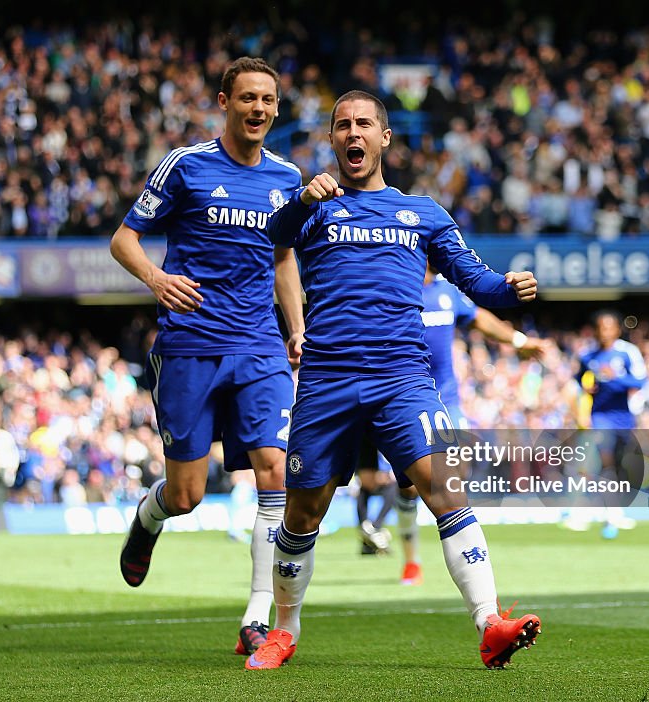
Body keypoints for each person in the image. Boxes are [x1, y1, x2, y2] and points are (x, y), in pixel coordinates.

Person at [246, 90, 541, 670]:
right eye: (341, 126)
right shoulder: (312, 206)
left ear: (384, 138)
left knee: (448, 490)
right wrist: (303, 202)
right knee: (303, 514)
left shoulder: (424, 213)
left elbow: (475, 280)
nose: (352, 134)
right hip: (327, 381)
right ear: (331, 140)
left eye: (363, 125)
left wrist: (510, 289)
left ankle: (490, 623)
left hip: (403, 379)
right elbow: (267, 242)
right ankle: (284, 630)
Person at [111, 57, 304, 657]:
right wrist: (155, 279)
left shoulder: (287, 178)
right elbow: (124, 239)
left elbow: (283, 260)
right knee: (188, 493)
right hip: (190, 344)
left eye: (268, 101)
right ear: (224, 101)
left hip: (259, 345)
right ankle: (148, 520)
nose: (259, 110)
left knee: (276, 470)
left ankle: (256, 615)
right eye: (248, 98)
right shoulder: (186, 166)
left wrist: (296, 327)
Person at [356, 265, 549, 587]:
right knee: (409, 487)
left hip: (445, 401)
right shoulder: (394, 286)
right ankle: (412, 561)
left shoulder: (447, 293)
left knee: (453, 473)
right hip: (403, 398)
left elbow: (480, 319)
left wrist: (517, 340)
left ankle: (465, 558)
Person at [570, 309, 647, 538]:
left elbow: (639, 381)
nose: (604, 332)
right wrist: (586, 386)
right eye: (600, 328)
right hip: (600, 416)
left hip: (624, 418)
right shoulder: (588, 356)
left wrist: (614, 378)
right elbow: (578, 378)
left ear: (616, 329)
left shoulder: (627, 352)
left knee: (621, 465)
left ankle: (616, 509)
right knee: (605, 463)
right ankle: (608, 513)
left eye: (608, 327)